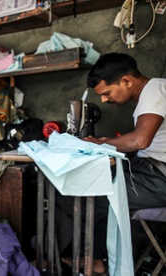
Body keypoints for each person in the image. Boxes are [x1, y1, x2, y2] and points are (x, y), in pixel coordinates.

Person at [58, 52, 166, 274]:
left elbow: (140, 139)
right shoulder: (152, 93)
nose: (105, 100)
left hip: (160, 178)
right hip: (150, 171)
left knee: (83, 191)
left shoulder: (156, 90)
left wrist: (97, 145)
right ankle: (93, 259)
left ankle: (72, 258)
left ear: (127, 80)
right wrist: (108, 142)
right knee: (93, 184)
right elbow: (148, 138)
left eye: (107, 93)